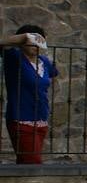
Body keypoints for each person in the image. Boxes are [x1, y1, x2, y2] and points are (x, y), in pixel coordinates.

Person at [3, 26, 58, 164]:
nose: (37, 44)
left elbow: (53, 73)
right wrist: (26, 36)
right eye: (33, 40)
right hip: (21, 119)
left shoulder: (43, 62)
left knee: (25, 164)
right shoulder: (14, 57)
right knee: (33, 164)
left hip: (41, 120)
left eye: (40, 40)